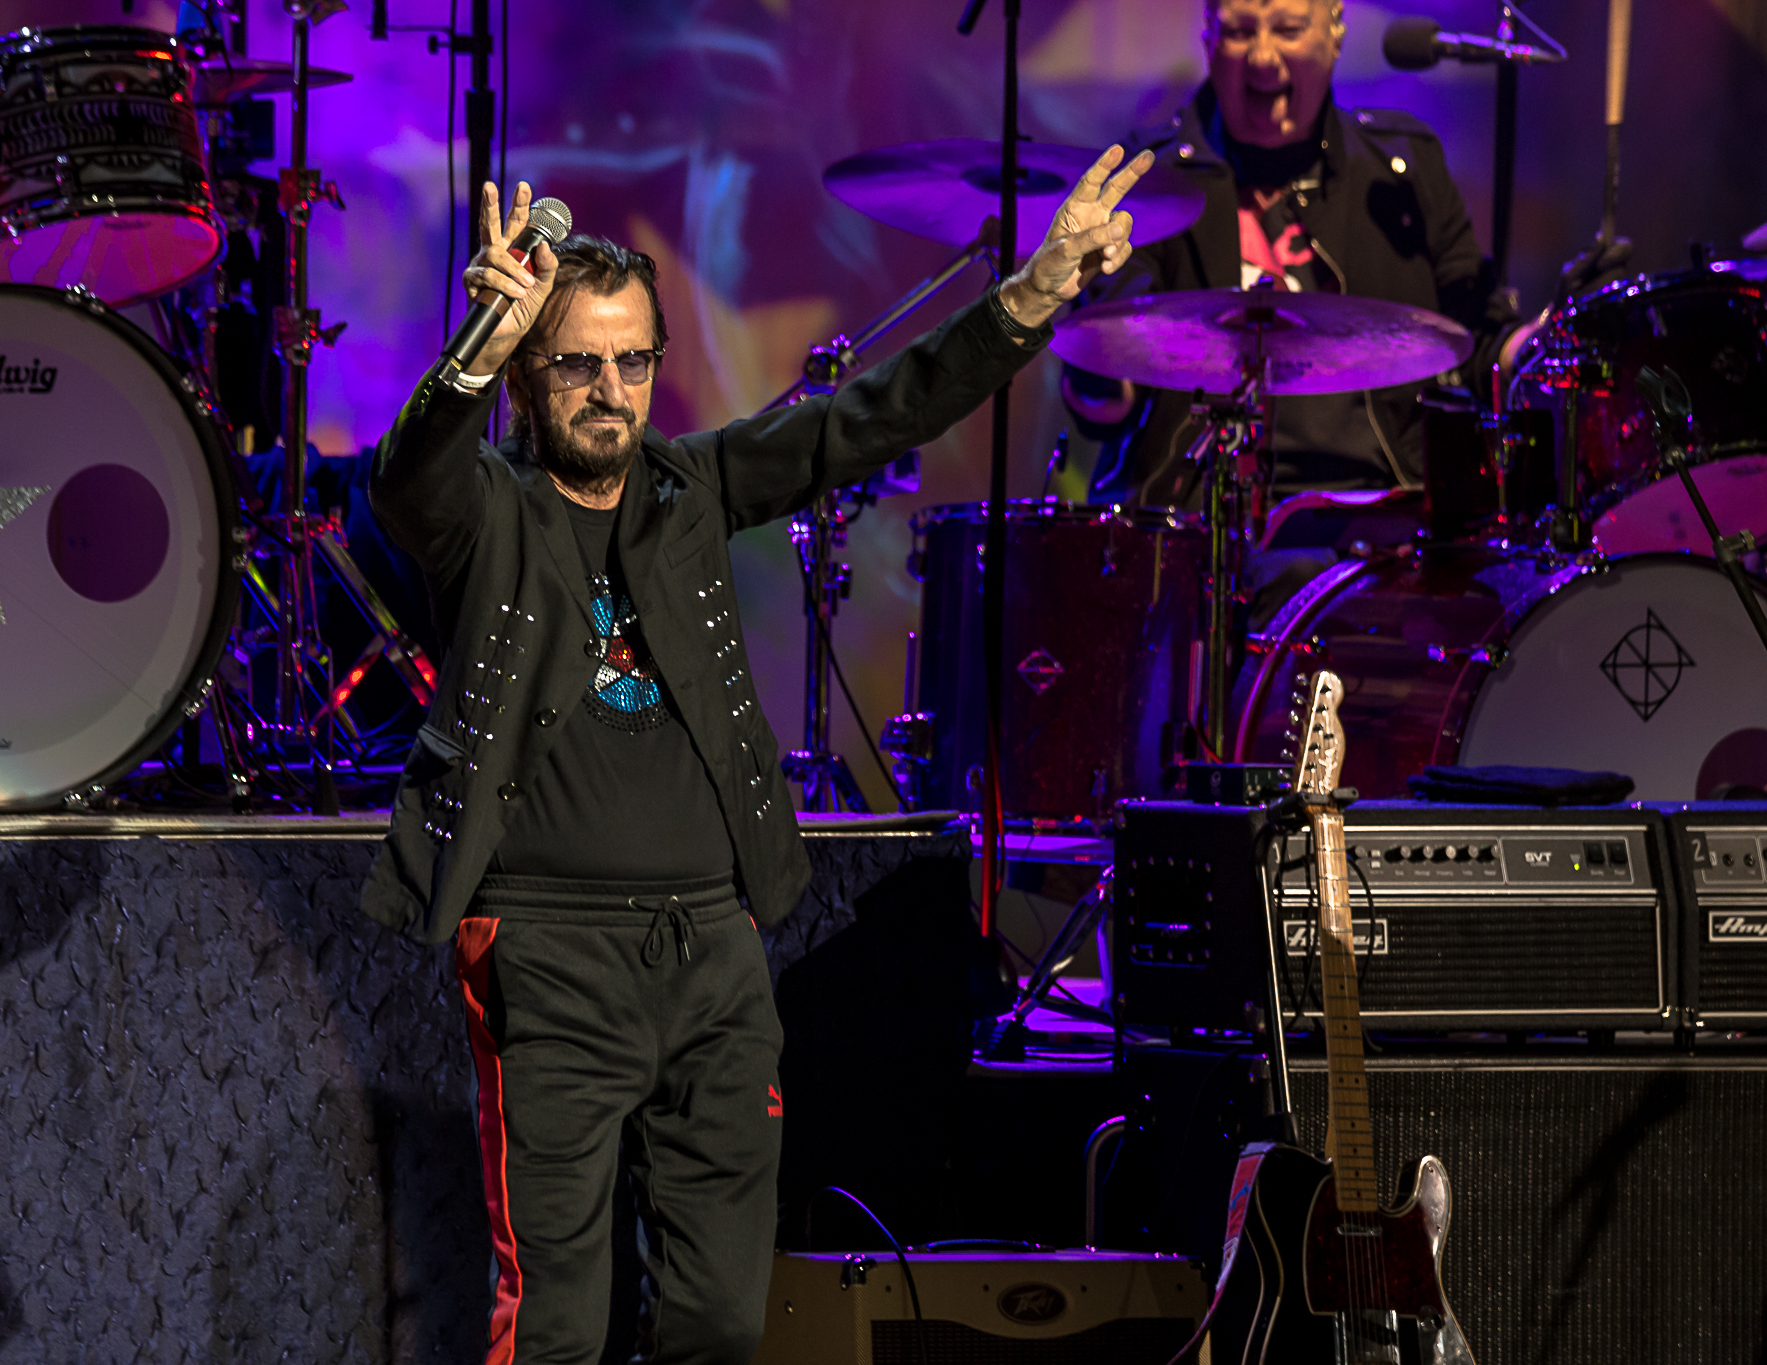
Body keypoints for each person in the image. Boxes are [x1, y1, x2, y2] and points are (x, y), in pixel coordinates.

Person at [357, 151, 1150, 1365]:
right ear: (526, 376)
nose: (609, 391)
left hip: (713, 956)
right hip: (548, 951)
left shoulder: (692, 487)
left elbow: (874, 414)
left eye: (632, 362)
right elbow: (405, 482)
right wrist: (471, 351)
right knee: (556, 1320)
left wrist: (1029, 299)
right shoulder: (487, 512)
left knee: (721, 1321)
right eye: (576, 364)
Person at [1064, 0, 1539, 511]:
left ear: (1335, 35)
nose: (1263, 57)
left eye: (1288, 29)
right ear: (1208, 41)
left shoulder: (1402, 170)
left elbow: (1482, 341)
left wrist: (1553, 338)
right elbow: (1109, 392)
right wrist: (1090, 360)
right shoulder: (1149, 180)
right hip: (1195, 514)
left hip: (1376, 516)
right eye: (1240, 32)